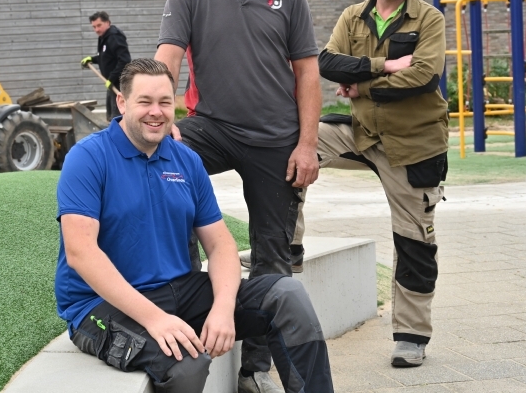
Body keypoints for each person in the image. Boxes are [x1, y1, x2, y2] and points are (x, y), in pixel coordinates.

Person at [55, 58, 333, 393]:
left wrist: (222, 306)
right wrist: (155, 318)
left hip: (180, 289)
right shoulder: (88, 157)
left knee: (287, 294)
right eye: (144, 102)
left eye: (164, 102)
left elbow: (220, 245)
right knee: (188, 363)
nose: (155, 112)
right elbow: (81, 252)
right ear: (122, 102)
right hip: (100, 305)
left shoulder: (185, 160)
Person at [154, 0, 322, 393]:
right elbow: (168, 56)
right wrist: (163, 121)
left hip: (277, 139)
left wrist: (307, 143)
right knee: (164, 166)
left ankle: (256, 371)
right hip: (213, 127)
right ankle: (180, 324)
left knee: (273, 258)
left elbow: (309, 74)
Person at [314, 0, 449, 367]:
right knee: (293, 149)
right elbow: (326, 62)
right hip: (361, 131)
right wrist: (382, 67)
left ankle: (412, 337)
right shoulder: (353, 17)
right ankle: (286, 246)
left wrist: (362, 82)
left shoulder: (428, 20)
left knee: (415, 241)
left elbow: (425, 76)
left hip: (414, 143)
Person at [81, 11, 131, 121]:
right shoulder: (104, 37)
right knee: (111, 114)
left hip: (119, 83)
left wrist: (112, 78)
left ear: (108, 22)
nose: (96, 30)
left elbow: (125, 60)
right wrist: (92, 59)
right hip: (111, 83)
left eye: (99, 25)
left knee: (118, 115)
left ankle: (120, 136)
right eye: (94, 27)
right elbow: (106, 57)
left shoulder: (114, 36)